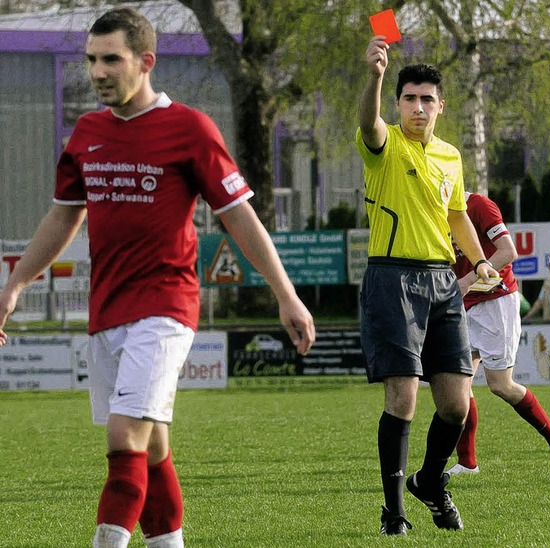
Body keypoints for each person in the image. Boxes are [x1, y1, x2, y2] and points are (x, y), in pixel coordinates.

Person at [0, 8, 315, 548]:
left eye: (111, 59)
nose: (98, 72)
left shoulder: (190, 128)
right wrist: (16, 284)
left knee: (123, 438)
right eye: (92, 60)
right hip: (106, 311)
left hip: (166, 307)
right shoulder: (87, 133)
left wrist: (286, 294)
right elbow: (62, 215)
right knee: (151, 448)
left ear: (145, 61)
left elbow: (239, 215)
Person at [355, 35, 499, 537]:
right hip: (392, 277)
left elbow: (457, 215)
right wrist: (374, 75)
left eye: (426, 99)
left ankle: (430, 481)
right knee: (403, 399)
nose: (418, 107)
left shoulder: (451, 157)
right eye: (409, 98)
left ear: (441, 106)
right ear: (398, 104)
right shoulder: (385, 144)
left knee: (457, 404)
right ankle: (394, 512)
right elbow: (368, 123)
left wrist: (479, 262)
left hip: (443, 282)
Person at [447, 192, 550, 476]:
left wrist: (466, 280)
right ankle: (467, 462)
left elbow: (507, 252)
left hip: (495, 302)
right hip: (464, 305)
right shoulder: (431, 210)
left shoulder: (477, 205)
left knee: (500, 385)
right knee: (457, 387)